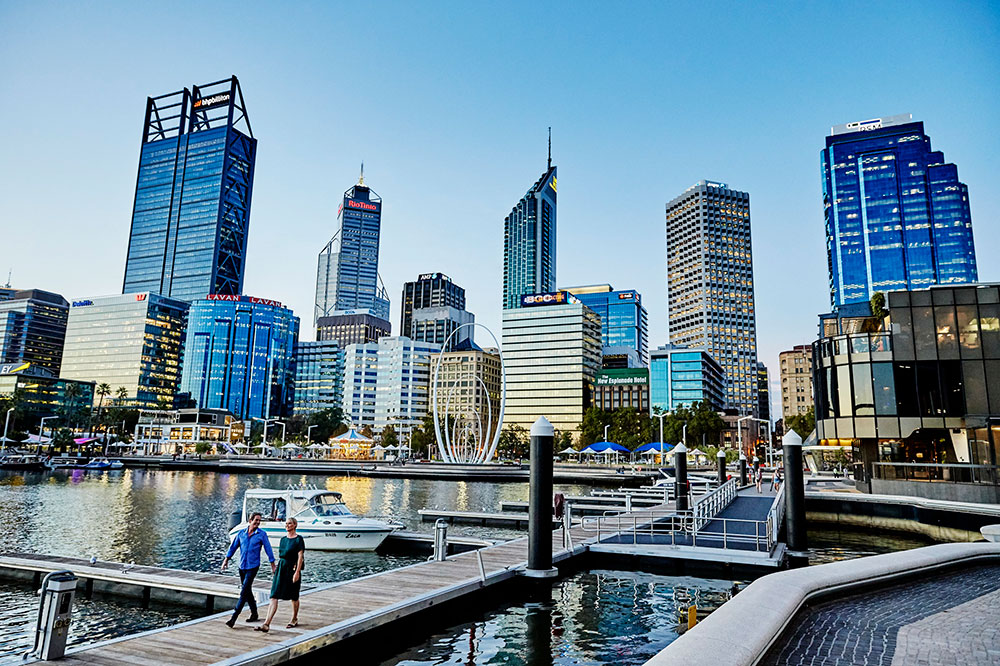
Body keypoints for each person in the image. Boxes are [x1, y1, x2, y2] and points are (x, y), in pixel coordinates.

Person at [222, 512, 276, 628]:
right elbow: (233, 547)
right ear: (250, 520)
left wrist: (273, 564)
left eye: (259, 521)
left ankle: (233, 618)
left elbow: (268, 549)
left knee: (244, 591)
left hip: (253, 566)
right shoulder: (241, 533)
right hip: (242, 566)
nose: (258, 522)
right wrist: (226, 560)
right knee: (247, 590)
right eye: (256, 520)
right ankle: (254, 613)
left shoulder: (261, 534)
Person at [256, 517, 305, 632]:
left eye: (290, 524)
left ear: (295, 525)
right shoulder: (283, 539)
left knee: (294, 596)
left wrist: (297, 572)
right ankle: (266, 623)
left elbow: (300, 557)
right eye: (286, 524)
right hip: (281, 568)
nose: (287, 525)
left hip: (292, 569)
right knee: (274, 595)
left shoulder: (299, 539)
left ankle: (294, 618)